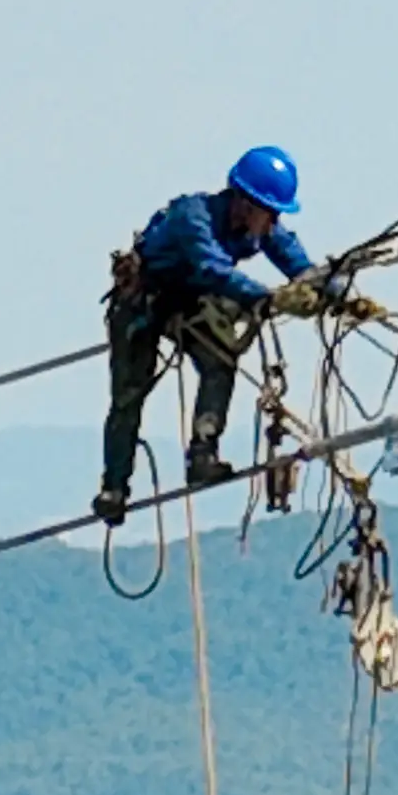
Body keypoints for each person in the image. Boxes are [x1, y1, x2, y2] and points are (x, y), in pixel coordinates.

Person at [98, 147, 322, 524]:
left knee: (220, 361)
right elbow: (212, 268)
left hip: (190, 300)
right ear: (246, 204)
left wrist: (337, 292)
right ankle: (114, 487)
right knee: (129, 395)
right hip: (144, 299)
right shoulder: (193, 217)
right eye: (271, 212)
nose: (274, 221)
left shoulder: (258, 228)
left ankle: (203, 453)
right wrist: (269, 298)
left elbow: (296, 262)